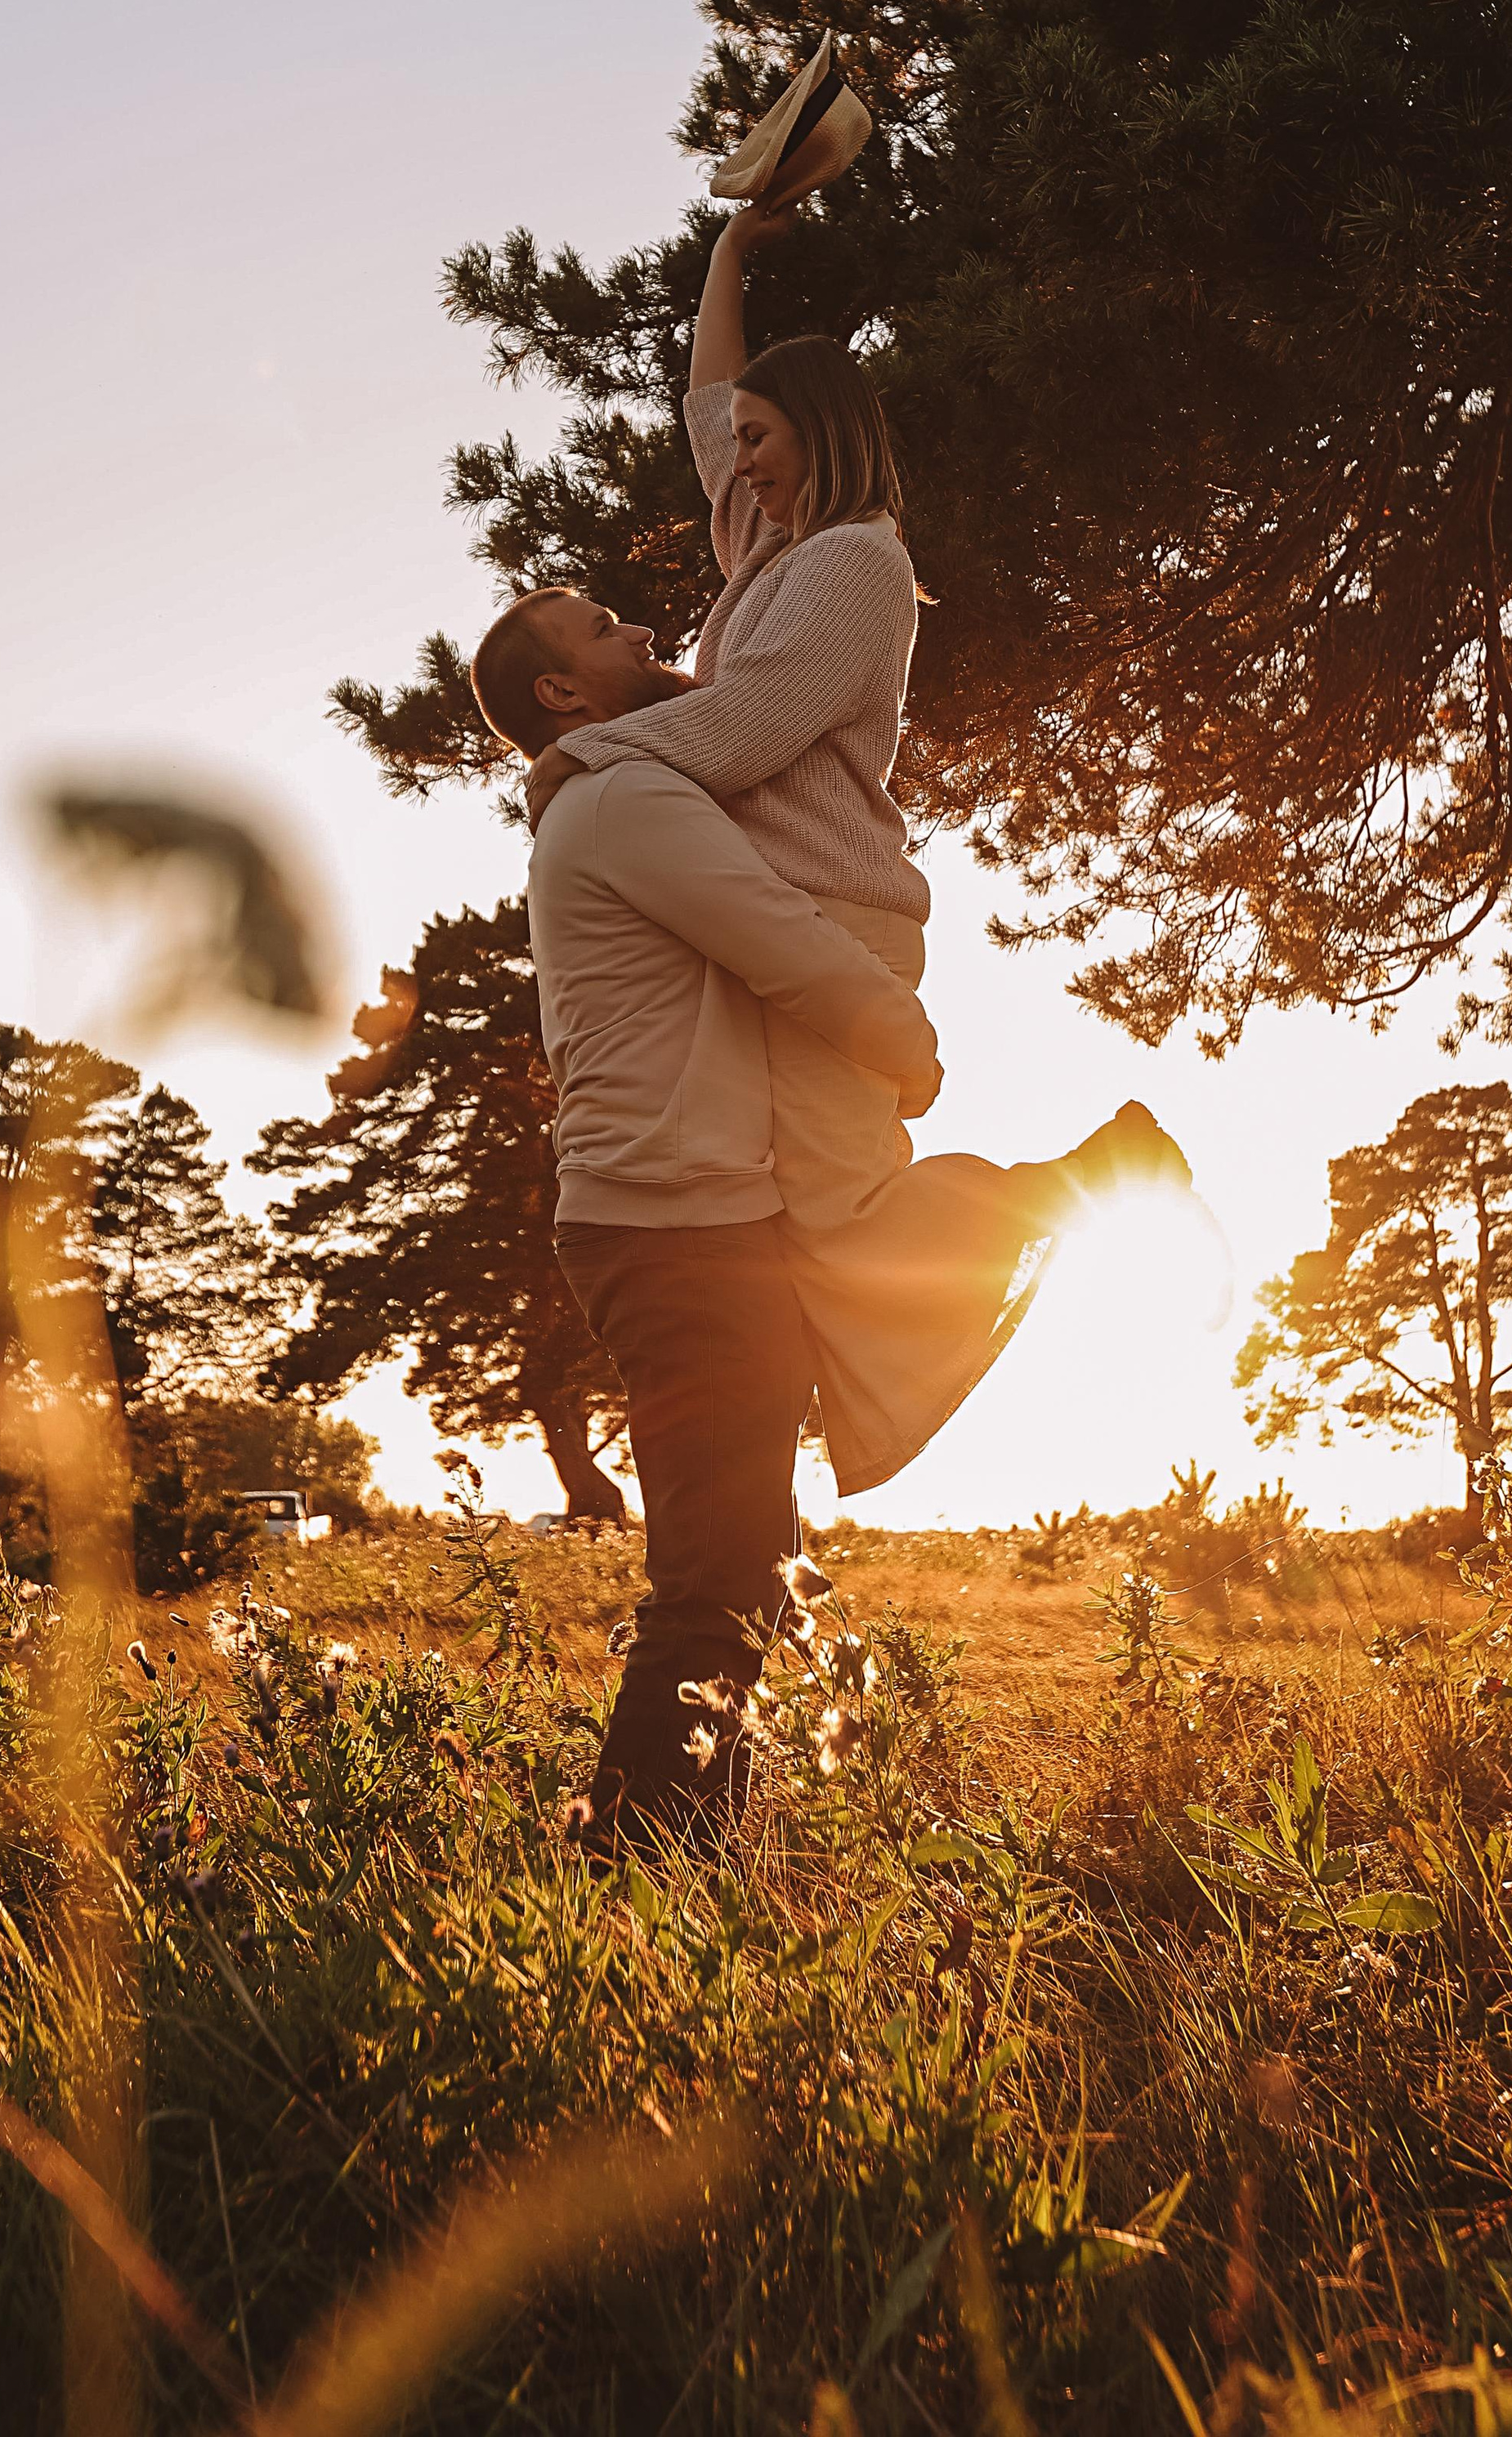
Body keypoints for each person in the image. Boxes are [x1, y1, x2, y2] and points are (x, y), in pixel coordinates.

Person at [471, 586, 1191, 1851]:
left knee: (745, 1567)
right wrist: (902, 1040)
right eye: (600, 628)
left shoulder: (604, 798)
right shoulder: (622, 800)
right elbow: (777, 937)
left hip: (691, 1222)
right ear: (562, 695)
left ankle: (699, 1846)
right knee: (717, 1582)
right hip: (677, 1233)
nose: (639, 629)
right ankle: (633, 1869)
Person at [517, 200, 1215, 1490]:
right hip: (793, 918)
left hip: (834, 916)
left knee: (845, 1213)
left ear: (824, 436)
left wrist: (583, 755)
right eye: (744, 446)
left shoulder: (853, 565)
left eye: (767, 442)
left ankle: (1094, 1177)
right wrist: (730, 254)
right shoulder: (768, 553)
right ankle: (802, 1425)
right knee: (805, 1214)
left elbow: (752, 725)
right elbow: (706, 404)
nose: (743, 461)